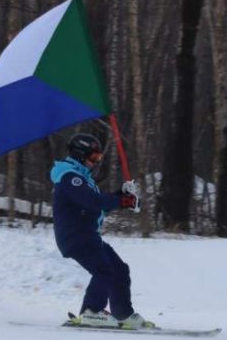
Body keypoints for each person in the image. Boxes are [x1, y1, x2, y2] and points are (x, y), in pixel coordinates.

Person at [50, 132, 155, 329]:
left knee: (119, 270)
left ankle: (123, 314)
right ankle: (92, 312)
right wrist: (122, 201)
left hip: (88, 234)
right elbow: (92, 202)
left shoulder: (82, 177)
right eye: (93, 157)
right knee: (103, 270)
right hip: (76, 235)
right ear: (80, 155)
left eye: (99, 157)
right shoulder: (69, 177)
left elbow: (98, 204)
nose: (96, 162)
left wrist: (121, 195)